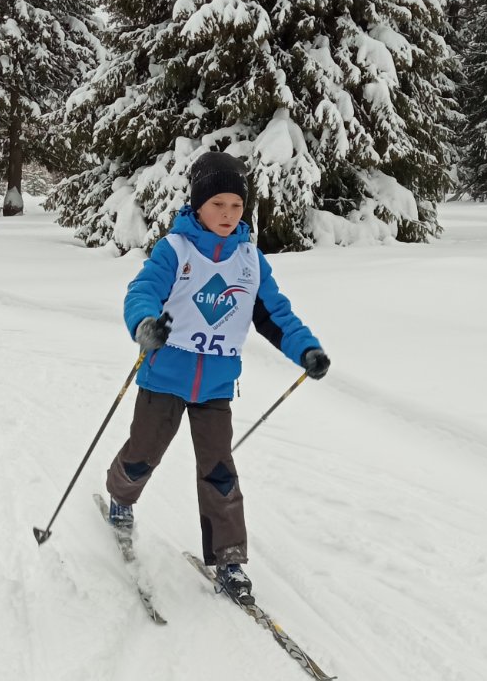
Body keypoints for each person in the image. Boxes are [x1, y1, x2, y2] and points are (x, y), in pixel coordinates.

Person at [106, 150, 330, 603]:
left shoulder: (250, 260)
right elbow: (143, 291)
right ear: (198, 205)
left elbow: (275, 315)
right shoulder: (176, 249)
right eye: (217, 205)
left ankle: (230, 559)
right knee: (141, 455)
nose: (228, 214)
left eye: (236, 205)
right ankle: (120, 498)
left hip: (216, 387)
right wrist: (145, 325)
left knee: (220, 472)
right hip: (163, 377)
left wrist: (306, 348)